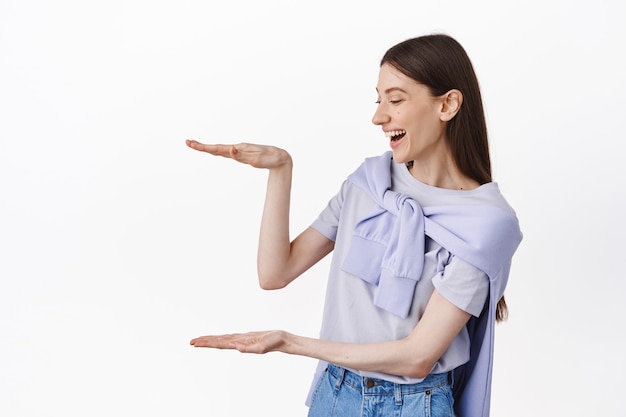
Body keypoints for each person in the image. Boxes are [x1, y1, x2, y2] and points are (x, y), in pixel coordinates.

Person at [186, 33, 522, 417]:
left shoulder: (487, 224)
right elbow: (275, 273)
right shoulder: (368, 184)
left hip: (415, 404)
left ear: (447, 104)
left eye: (395, 100)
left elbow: (417, 357)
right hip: (336, 393)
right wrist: (281, 171)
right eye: (378, 100)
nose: (378, 117)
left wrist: (291, 343)